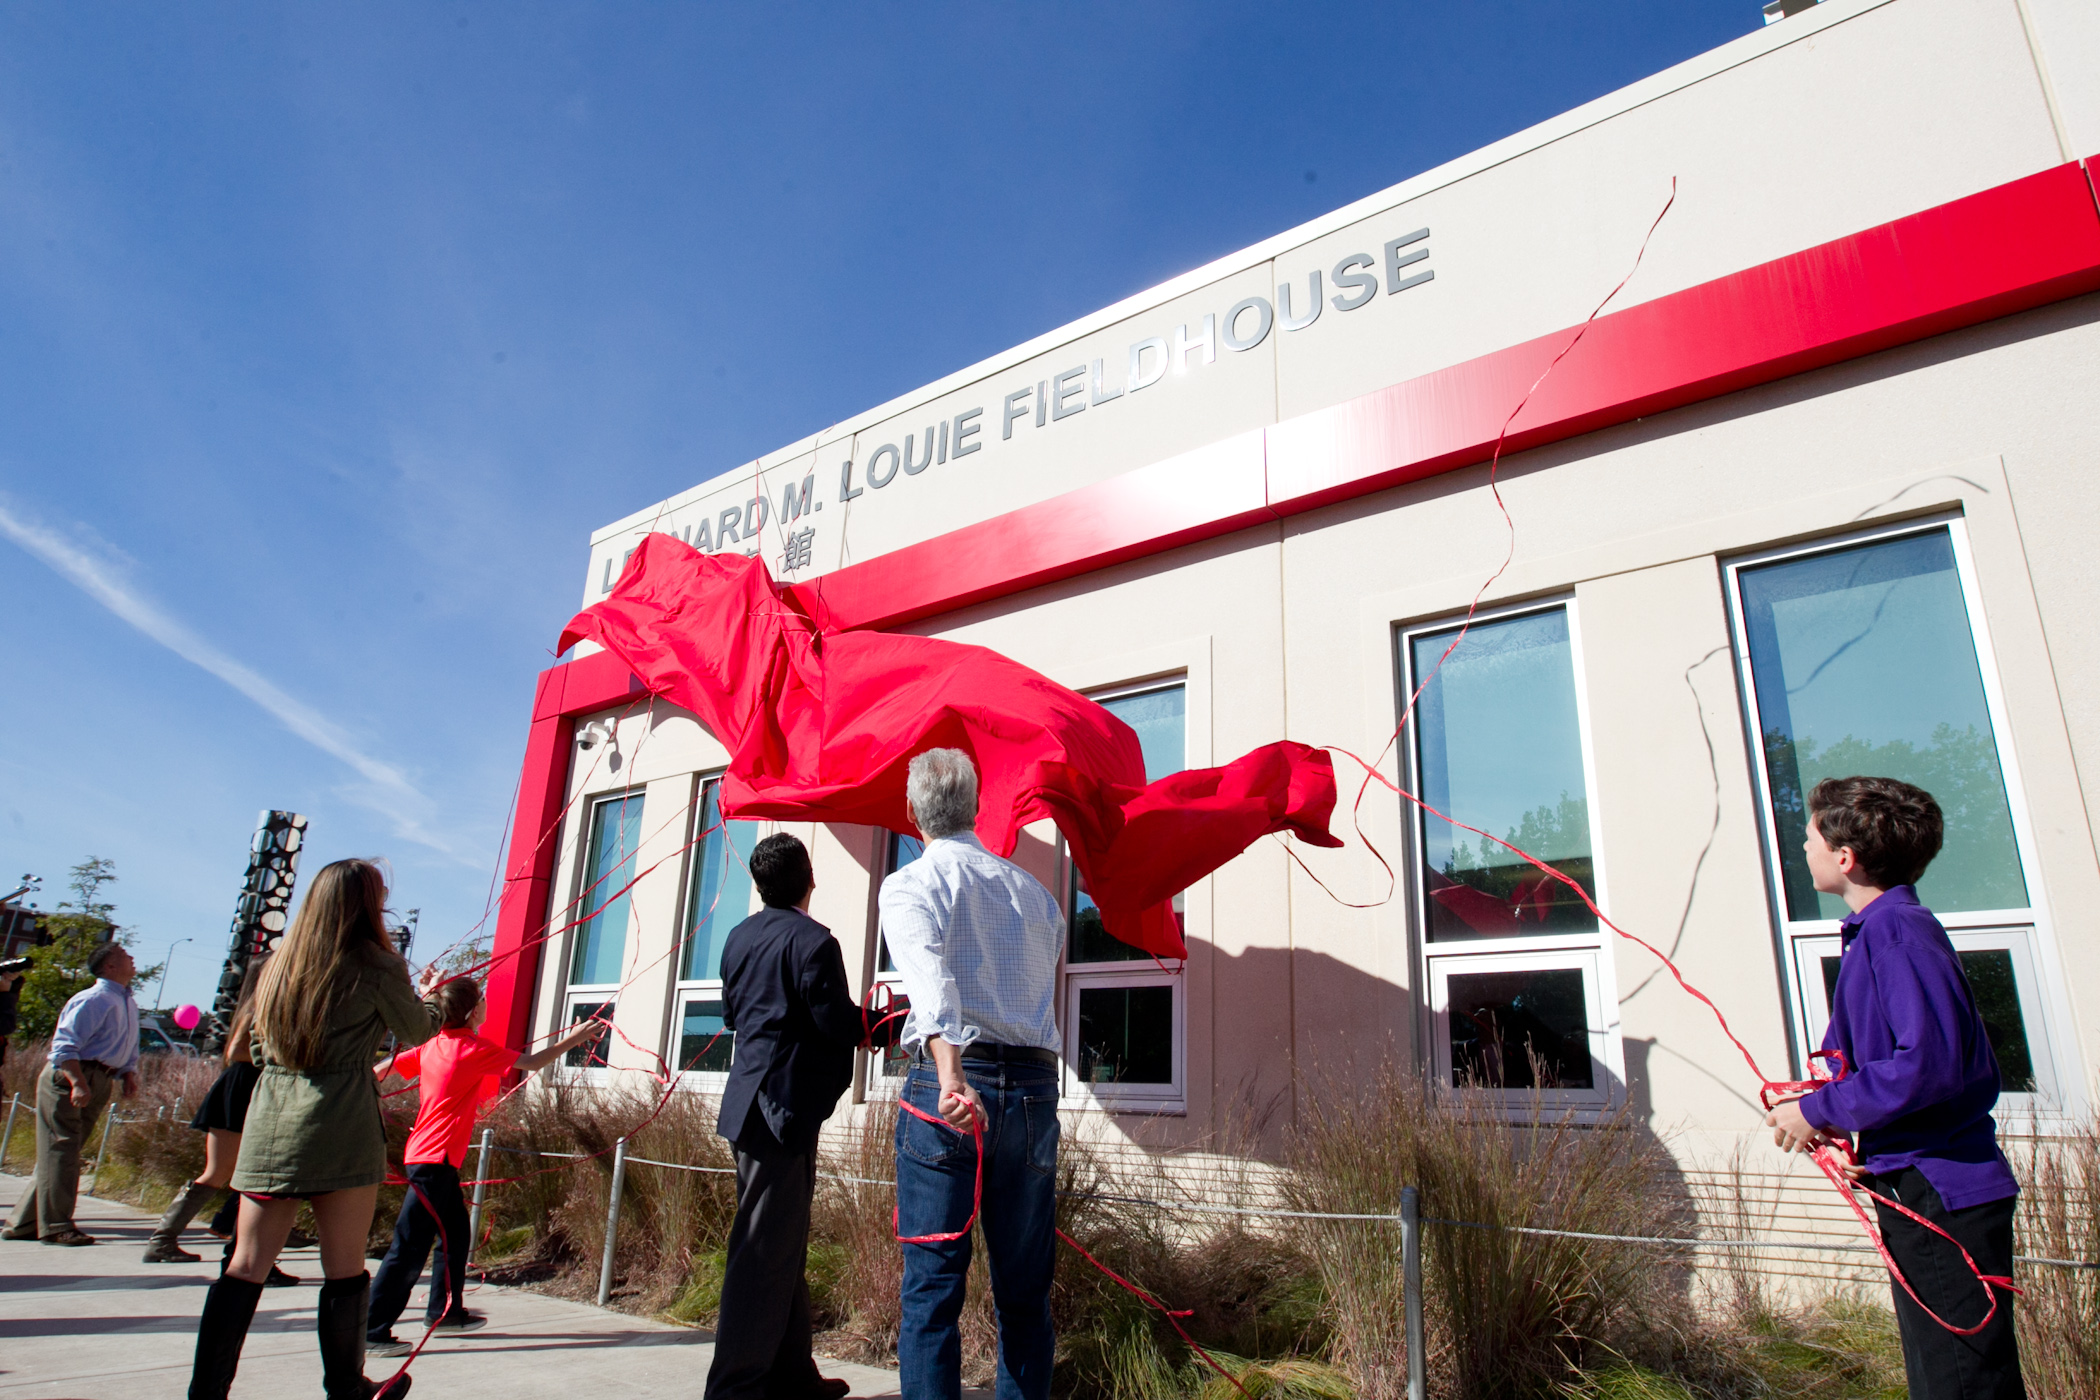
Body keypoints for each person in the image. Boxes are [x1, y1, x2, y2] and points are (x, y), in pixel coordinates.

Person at [1765, 776, 2025, 1400]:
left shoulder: (1897, 932)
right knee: (1944, 1375)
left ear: (1845, 857)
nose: (1803, 849)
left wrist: (1820, 1109)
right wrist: (1832, 1116)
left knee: (1959, 1383)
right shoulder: (1880, 932)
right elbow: (1896, 1065)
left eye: (1808, 838)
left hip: (1941, 1191)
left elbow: (1929, 1065)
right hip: (1914, 1179)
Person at [187, 858, 442, 1400]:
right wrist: (436, 999)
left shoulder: (276, 965)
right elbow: (417, 1028)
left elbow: (256, 1047)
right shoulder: (378, 964)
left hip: (272, 1119)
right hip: (341, 1123)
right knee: (345, 1268)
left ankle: (206, 1392)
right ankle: (347, 1388)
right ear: (368, 904)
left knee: (245, 1265)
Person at [878, 749, 1065, 1400]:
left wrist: (951, 1071)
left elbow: (930, 980)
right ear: (978, 808)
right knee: (1025, 1295)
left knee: (932, 1291)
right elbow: (1042, 992)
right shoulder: (1037, 896)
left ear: (911, 814)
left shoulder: (909, 886)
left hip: (952, 1088)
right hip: (1035, 1092)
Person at [703, 832, 863, 1400]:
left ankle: (793, 1375)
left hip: (748, 1108)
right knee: (760, 1252)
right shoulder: (815, 942)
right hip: (781, 1114)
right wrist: (885, 1026)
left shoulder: (738, 938)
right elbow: (837, 1024)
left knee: (781, 1242)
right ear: (808, 878)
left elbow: (731, 1015)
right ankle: (734, 1388)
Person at [364, 977, 603, 1356]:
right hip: (433, 1162)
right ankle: (372, 1332)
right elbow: (531, 1063)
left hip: (427, 1158)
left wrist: (365, 1095)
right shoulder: (470, 1048)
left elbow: (380, 1070)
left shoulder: (434, 1045)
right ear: (474, 1011)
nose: (487, 1002)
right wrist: (576, 1037)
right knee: (408, 1247)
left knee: (455, 1236)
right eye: (483, 998)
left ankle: (447, 1314)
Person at [142, 957, 295, 1282]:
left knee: (254, 1175)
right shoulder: (258, 1006)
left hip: (253, 1091)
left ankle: (248, 1249)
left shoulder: (268, 1004)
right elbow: (236, 1050)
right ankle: (163, 1239)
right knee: (219, 1173)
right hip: (241, 1092)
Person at [4, 941, 140, 1245]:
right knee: (61, 1150)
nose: (131, 959)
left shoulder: (126, 1001)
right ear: (109, 966)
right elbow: (65, 1045)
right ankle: (56, 1226)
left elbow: (126, 1043)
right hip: (72, 1076)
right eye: (124, 956)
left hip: (100, 1078)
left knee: (65, 1153)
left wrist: (128, 1072)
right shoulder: (95, 998)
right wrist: (77, 1082)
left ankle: (23, 1223)